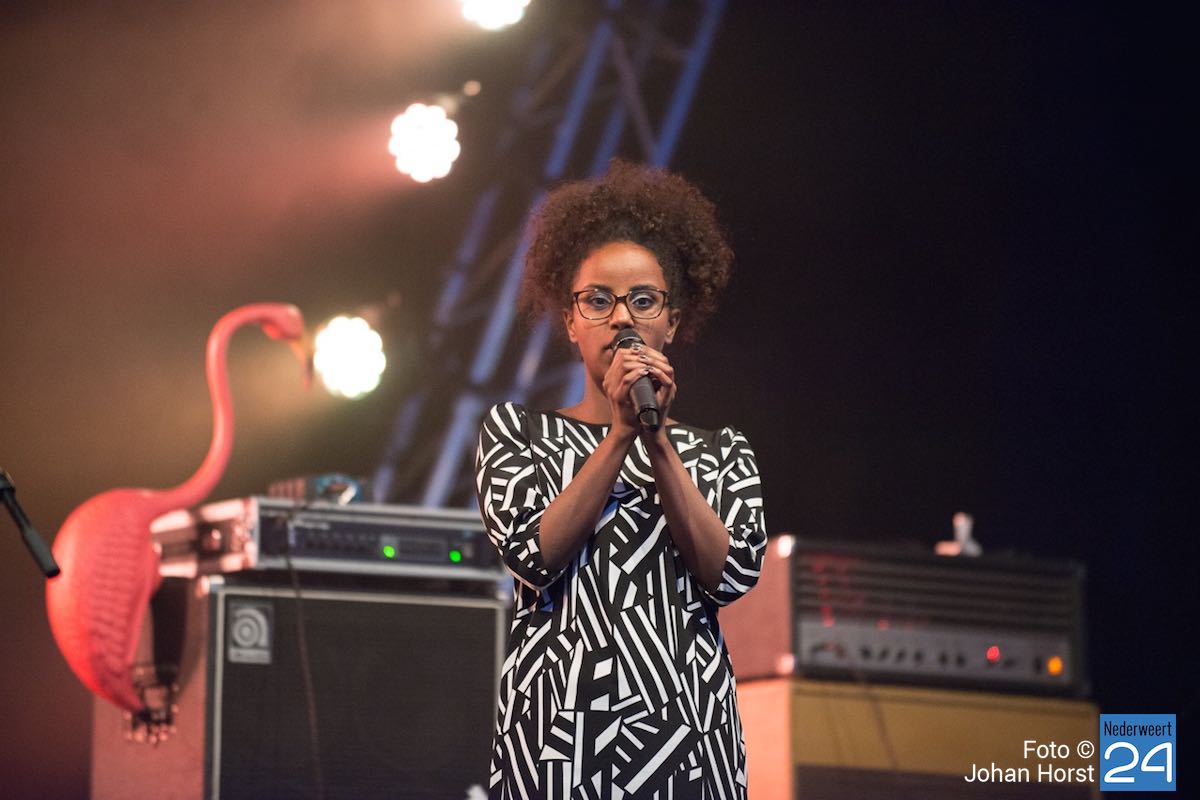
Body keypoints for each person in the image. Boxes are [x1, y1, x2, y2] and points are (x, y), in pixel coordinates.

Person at [474, 159, 766, 798]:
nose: (622, 318)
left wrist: (657, 443)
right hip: (558, 739)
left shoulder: (720, 453)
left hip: (688, 737)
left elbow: (732, 576)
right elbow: (534, 555)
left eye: (643, 300)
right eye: (598, 300)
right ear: (570, 320)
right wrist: (619, 436)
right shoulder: (518, 433)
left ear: (673, 321)